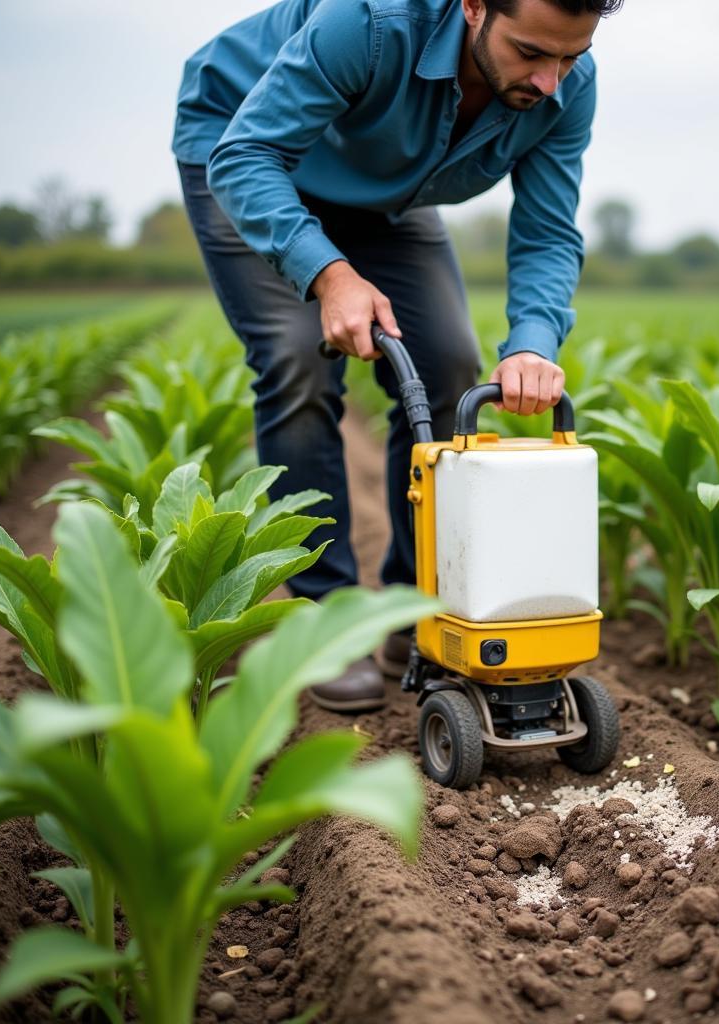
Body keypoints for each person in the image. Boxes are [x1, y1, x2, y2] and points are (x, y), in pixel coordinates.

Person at [171, 0, 623, 712]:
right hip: (248, 150)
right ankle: (327, 617)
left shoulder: (567, 89)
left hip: (385, 195)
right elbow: (248, 155)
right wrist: (328, 273)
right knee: (296, 360)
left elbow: (546, 231)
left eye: (569, 58)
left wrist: (533, 342)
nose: (549, 82)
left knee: (446, 363)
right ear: (473, 6)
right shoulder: (372, 23)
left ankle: (415, 609)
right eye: (532, 52)